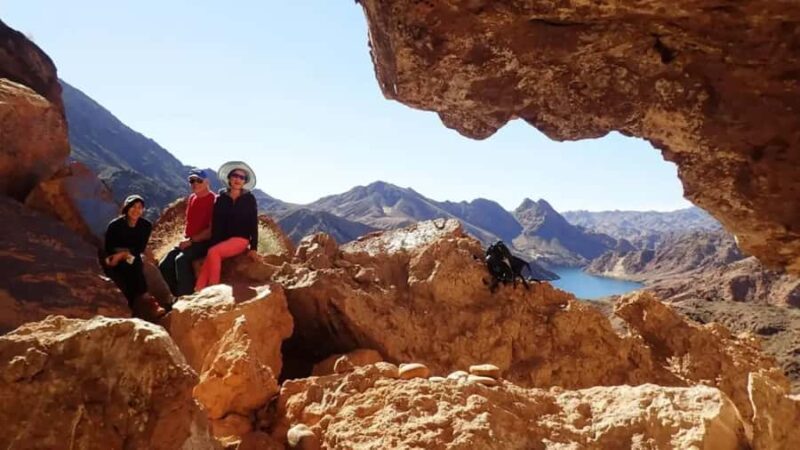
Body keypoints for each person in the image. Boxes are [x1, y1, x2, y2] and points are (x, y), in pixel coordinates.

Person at [194, 161, 259, 291]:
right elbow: (217, 224)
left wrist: (254, 248)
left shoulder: (249, 199)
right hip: (224, 241)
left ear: (244, 182)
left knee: (213, 252)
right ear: (229, 178)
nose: (238, 179)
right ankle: (198, 291)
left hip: (241, 239)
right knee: (211, 255)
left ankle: (214, 290)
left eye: (242, 177)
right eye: (235, 175)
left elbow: (253, 223)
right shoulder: (221, 198)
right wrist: (214, 243)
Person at [103, 194, 165, 319]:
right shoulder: (115, 225)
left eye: (139, 207)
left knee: (134, 263)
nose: (136, 210)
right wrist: (120, 255)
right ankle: (149, 303)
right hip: (114, 258)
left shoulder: (145, 226)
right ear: (126, 208)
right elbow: (109, 248)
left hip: (131, 256)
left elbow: (139, 249)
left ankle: (141, 303)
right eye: (133, 207)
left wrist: (124, 254)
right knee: (132, 265)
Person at [159, 168, 216, 297]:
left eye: (199, 180)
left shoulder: (214, 200)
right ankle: (174, 297)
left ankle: (186, 297)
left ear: (207, 182)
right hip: (190, 240)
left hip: (205, 242)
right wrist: (187, 239)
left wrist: (191, 241)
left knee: (181, 260)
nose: (195, 184)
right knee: (165, 264)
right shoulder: (192, 198)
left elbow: (211, 230)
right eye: (192, 181)